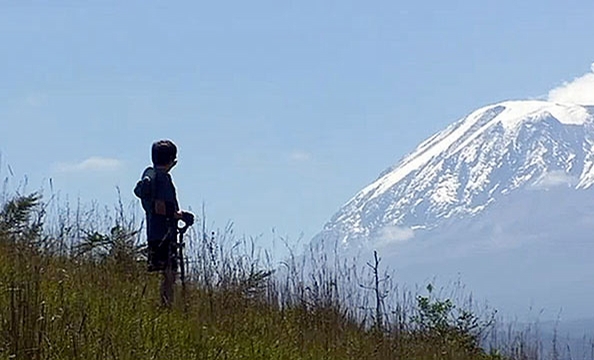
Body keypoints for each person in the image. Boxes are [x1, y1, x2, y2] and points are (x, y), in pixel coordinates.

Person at [134, 139, 194, 307]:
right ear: (172, 160)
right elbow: (160, 207)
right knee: (170, 274)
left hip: (154, 232)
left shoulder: (151, 178)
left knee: (162, 272)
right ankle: (165, 307)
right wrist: (181, 216)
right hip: (166, 233)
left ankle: (159, 306)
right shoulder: (163, 179)